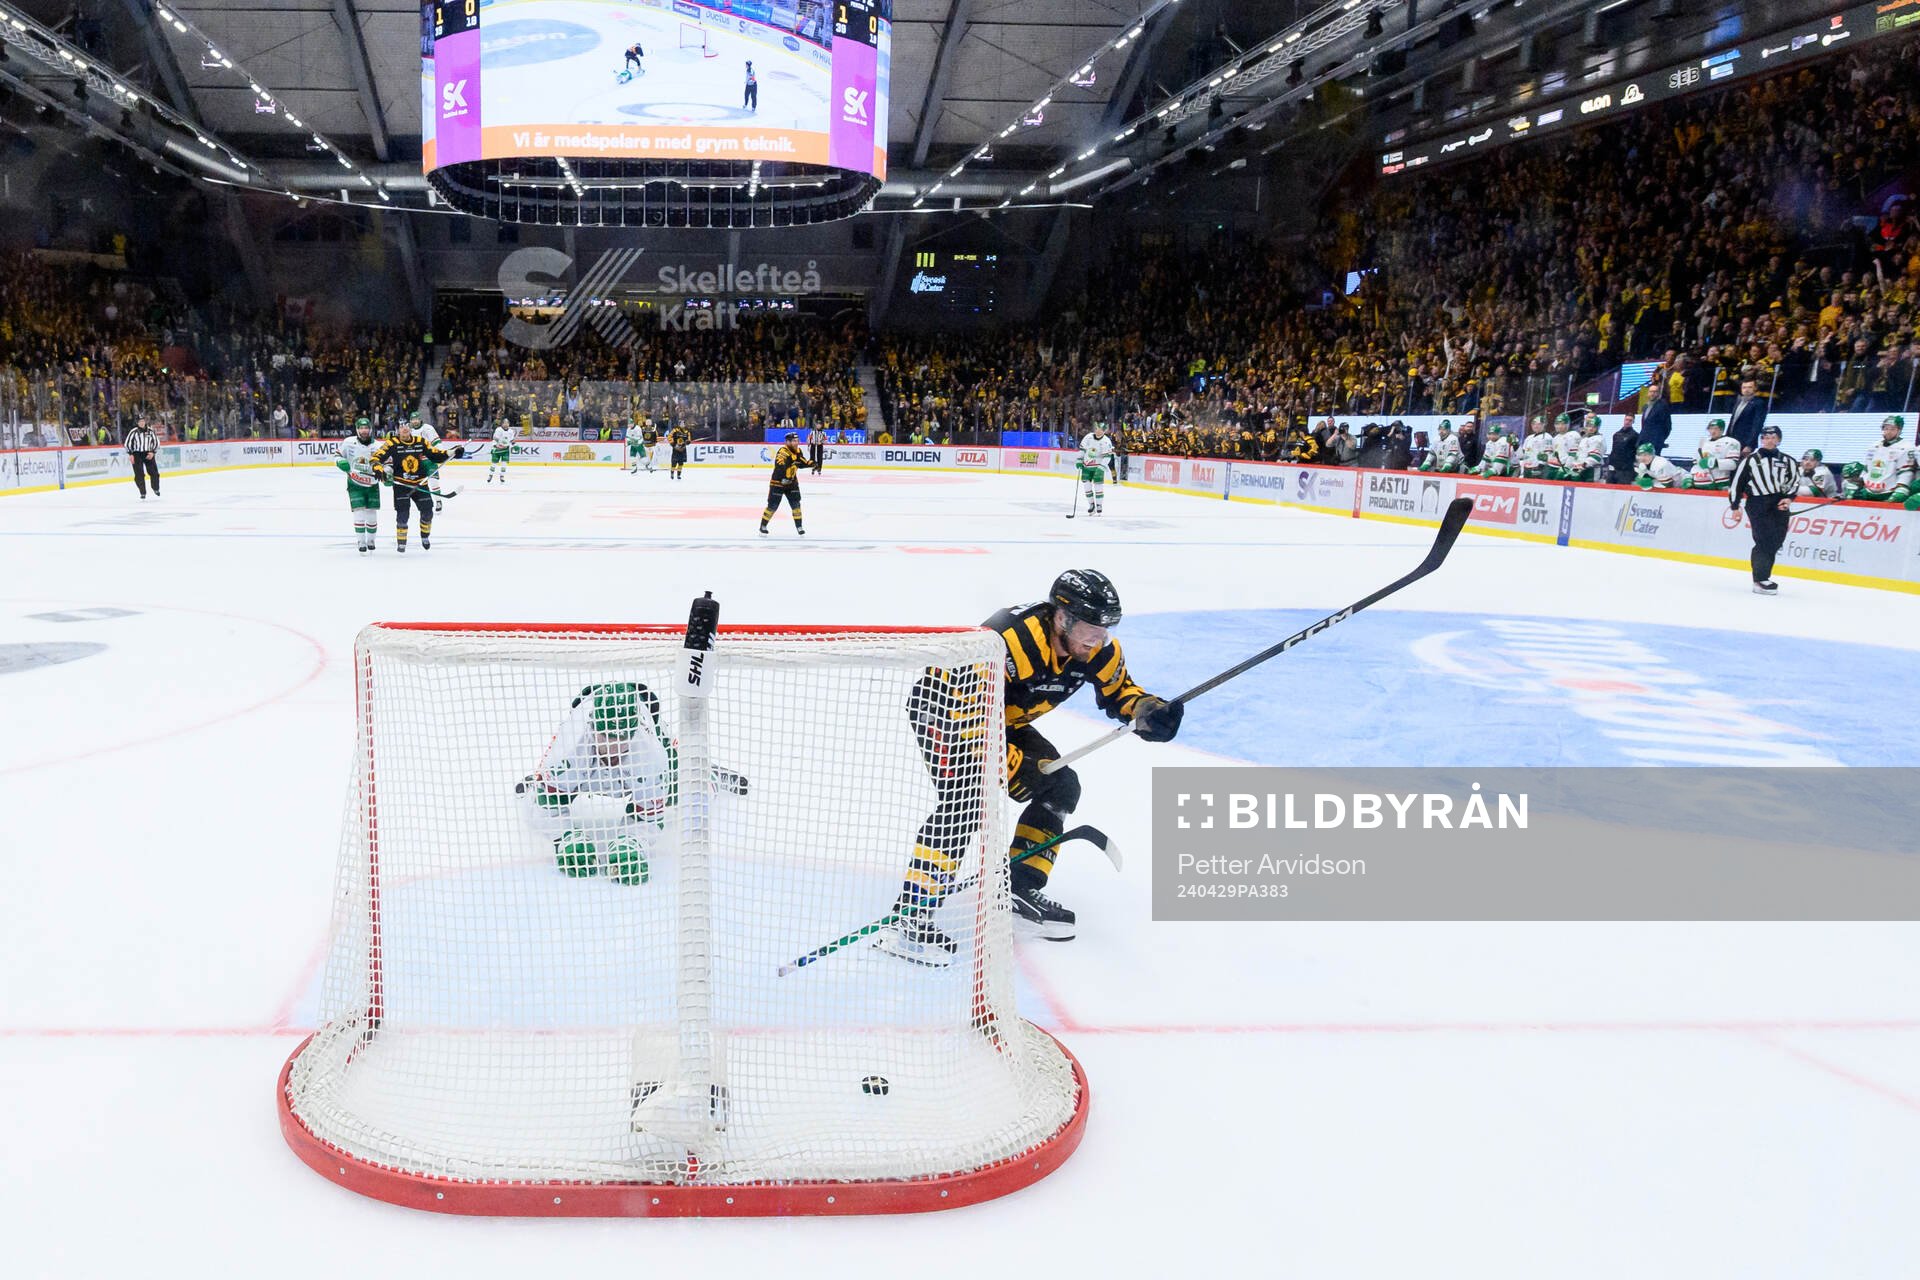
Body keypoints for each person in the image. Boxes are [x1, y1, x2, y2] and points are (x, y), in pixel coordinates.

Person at [876, 570, 1181, 962]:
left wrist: (1147, 710)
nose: (1099, 637)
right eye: (1091, 626)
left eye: (1106, 628)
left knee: (1061, 786)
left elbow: (1120, 690)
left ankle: (1016, 890)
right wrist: (1015, 765)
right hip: (945, 712)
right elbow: (965, 716)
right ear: (1062, 618)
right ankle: (908, 919)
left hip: (1001, 718)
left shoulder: (1096, 648)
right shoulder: (1007, 642)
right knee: (967, 802)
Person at [516, 683, 674, 885]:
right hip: (580, 768)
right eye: (605, 736)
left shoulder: (653, 757)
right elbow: (541, 807)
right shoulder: (568, 747)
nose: (612, 747)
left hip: (647, 723)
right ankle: (544, 781)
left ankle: (709, 778)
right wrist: (563, 838)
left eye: (621, 738)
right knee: (548, 791)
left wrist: (633, 842)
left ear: (634, 731)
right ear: (592, 725)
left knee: (682, 788)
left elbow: (650, 818)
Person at [1729, 424, 1797, 596]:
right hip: (1758, 502)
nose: (1768, 441)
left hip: (1779, 503)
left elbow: (1794, 482)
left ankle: (1763, 577)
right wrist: (1735, 506)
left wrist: (1788, 498)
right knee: (1764, 539)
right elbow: (1737, 483)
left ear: (1779, 440)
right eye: (1765, 437)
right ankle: (1760, 579)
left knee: (1777, 540)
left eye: (1773, 437)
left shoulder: (1789, 461)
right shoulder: (1750, 460)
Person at [368, 417, 455, 553]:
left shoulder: (420, 442)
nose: (405, 428)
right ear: (397, 429)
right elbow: (376, 458)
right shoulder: (392, 443)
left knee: (427, 513)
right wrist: (378, 468)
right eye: (401, 425)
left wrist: (453, 451)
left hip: (420, 484)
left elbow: (437, 455)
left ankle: (425, 536)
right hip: (401, 485)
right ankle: (401, 542)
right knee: (403, 515)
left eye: (407, 425)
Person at [1841, 415, 1918, 506]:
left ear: (1899, 430)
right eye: (1886, 428)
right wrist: (1859, 482)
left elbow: (1906, 472)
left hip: (1888, 492)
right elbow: (1867, 469)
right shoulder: (1874, 446)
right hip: (1868, 491)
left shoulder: (1907, 447)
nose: (1888, 432)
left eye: (1892, 429)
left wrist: (1902, 488)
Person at [336, 417, 382, 552]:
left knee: (372, 515)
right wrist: (340, 462)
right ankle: (361, 541)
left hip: (372, 484)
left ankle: (371, 540)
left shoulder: (378, 446)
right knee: (359, 514)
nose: (364, 430)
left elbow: (387, 464)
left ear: (370, 429)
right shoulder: (348, 442)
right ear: (357, 429)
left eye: (366, 428)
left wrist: (387, 474)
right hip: (354, 483)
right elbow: (337, 455)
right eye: (361, 428)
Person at [759, 431, 806, 536]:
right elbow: (780, 464)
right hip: (777, 483)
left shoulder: (798, 451)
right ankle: (763, 526)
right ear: (788, 442)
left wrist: (811, 464)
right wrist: (784, 477)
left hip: (792, 483)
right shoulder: (782, 452)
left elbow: (801, 463)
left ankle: (799, 527)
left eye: (797, 440)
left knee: (796, 504)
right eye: (794, 441)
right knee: (773, 506)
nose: (796, 443)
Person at [1689, 418, 1740, 490]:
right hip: (1701, 484)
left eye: (1716, 429)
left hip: (1721, 485)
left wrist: (1714, 462)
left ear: (1722, 430)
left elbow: (1733, 464)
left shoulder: (1732, 442)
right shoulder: (1703, 442)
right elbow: (1697, 464)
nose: (1712, 431)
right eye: (1710, 428)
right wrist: (1689, 477)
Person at [1078, 421, 1115, 515]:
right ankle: (1091, 504)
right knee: (1087, 486)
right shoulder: (1088, 437)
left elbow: (1107, 456)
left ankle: (1099, 505)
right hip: (1086, 465)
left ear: (1104, 431)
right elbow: (1082, 450)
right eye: (1097, 429)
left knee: (1098, 486)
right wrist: (1079, 460)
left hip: (1098, 467)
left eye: (1101, 430)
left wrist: (1101, 467)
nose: (1098, 431)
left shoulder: (1106, 441)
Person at [1725, 377, 1768, 452]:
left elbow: (1757, 425)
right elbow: (1732, 422)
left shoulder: (1759, 403)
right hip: (1732, 440)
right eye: (1744, 387)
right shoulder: (1738, 401)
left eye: (1750, 387)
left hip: (1745, 442)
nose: (1746, 390)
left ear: (1755, 388)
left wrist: (1750, 445)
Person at [123, 418, 160, 499]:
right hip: (137, 454)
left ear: (145, 422)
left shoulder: (150, 431)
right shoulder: (133, 431)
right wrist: (130, 454)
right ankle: (142, 492)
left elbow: (156, 442)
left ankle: (155, 488)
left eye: (143, 421)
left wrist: (153, 452)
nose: (142, 423)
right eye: (140, 422)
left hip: (148, 453)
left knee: (154, 472)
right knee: (139, 474)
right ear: (137, 423)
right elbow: (127, 443)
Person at [1606, 413, 1641, 485]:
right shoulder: (1616, 434)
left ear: (1633, 422)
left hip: (1625, 470)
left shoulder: (1635, 436)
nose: (1627, 422)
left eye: (1630, 420)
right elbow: (1613, 450)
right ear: (1624, 420)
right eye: (1626, 419)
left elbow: (1637, 452)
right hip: (1613, 468)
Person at [487, 419, 513, 484]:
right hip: (497, 449)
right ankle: (490, 475)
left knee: (504, 464)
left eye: (507, 423)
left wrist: (514, 445)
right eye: (504, 423)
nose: (506, 424)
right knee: (494, 464)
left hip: (505, 450)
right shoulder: (498, 430)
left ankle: (502, 476)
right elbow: (495, 438)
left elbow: (511, 440)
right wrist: (497, 446)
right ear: (502, 424)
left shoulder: (511, 431)